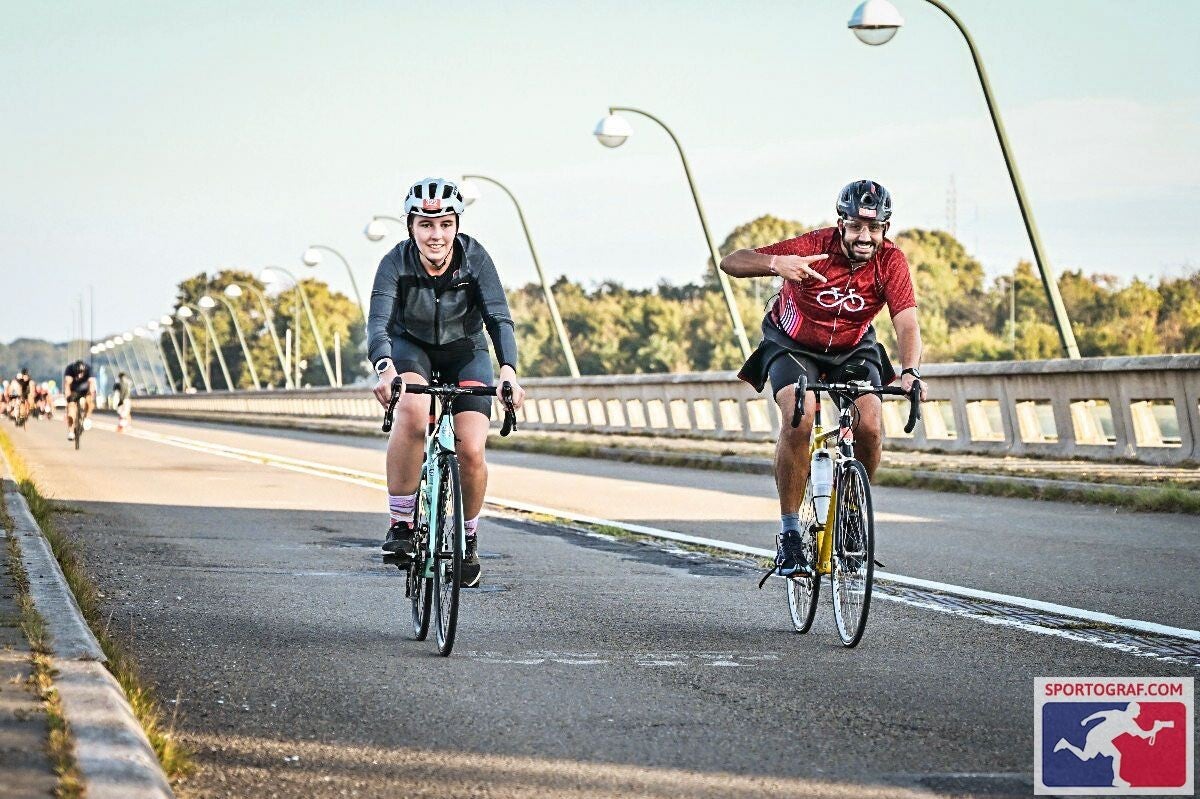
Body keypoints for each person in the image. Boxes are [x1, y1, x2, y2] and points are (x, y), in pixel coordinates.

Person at [720, 179, 927, 575]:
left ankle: (850, 513)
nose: (864, 236)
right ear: (841, 224)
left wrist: (910, 371)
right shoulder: (814, 246)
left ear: (885, 228)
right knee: (799, 418)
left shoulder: (891, 261)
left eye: (874, 228)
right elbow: (732, 261)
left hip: (853, 347)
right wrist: (776, 264)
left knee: (870, 424)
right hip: (793, 344)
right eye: (856, 226)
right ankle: (789, 535)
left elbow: (907, 323)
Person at [369, 177, 526, 587]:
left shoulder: (475, 259)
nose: (435, 235)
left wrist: (508, 370)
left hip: (465, 350)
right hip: (411, 348)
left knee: (471, 448)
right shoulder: (395, 262)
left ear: (456, 226)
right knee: (412, 412)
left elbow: (498, 319)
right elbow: (378, 324)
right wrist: (385, 369)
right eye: (425, 225)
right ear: (411, 227)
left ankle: (467, 541)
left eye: (444, 225)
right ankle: (402, 523)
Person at [63, 359, 97, 441]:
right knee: (71, 411)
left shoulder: (88, 369)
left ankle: (87, 418)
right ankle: (71, 431)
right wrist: (68, 399)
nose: (79, 376)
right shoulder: (69, 369)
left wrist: (91, 395)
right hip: (74, 390)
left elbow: (91, 384)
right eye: (77, 374)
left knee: (89, 401)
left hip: (85, 390)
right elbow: (67, 385)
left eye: (81, 373)